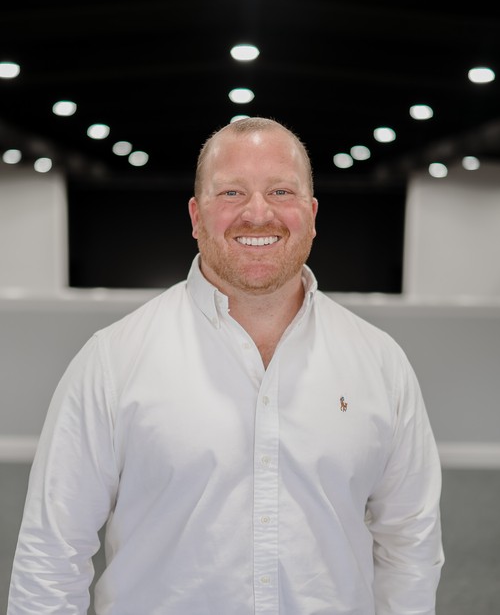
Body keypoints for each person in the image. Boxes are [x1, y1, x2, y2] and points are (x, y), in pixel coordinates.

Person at [8, 117, 444, 615]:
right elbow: (52, 551)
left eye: (281, 191)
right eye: (232, 192)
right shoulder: (113, 360)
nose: (258, 213)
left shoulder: (380, 362)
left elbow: (410, 542)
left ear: (312, 214)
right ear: (196, 216)